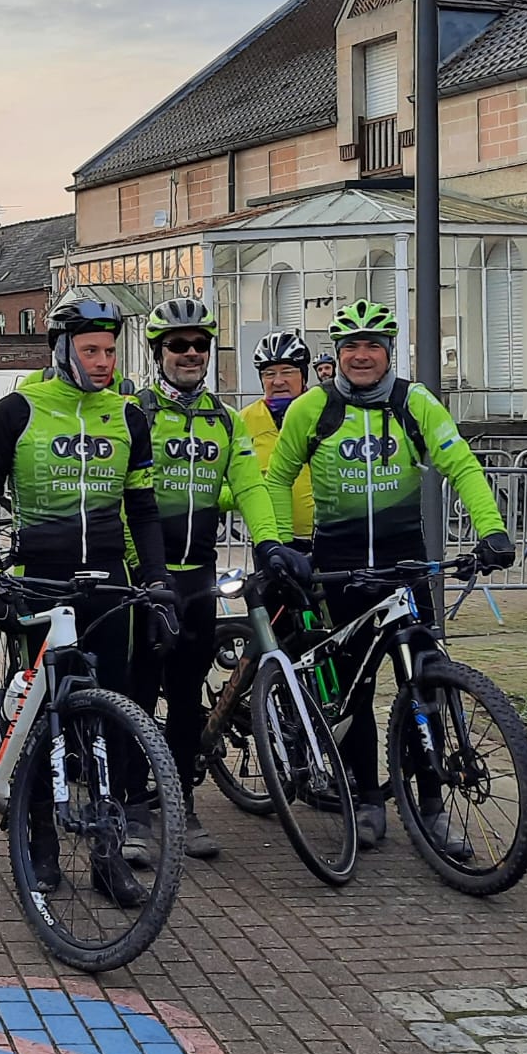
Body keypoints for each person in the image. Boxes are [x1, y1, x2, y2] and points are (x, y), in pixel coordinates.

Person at [265, 299, 514, 852]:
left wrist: (492, 530)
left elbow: (461, 465)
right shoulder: (312, 409)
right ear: (337, 354)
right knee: (354, 691)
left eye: (372, 346)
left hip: (407, 564)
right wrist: (283, 546)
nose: (361, 355)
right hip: (341, 567)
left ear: (388, 352)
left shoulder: (413, 402)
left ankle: (431, 804)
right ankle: (366, 798)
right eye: (351, 346)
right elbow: (277, 477)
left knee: (424, 681)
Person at [0, 290, 175, 902]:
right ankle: (40, 841)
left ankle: (108, 853)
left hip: (107, 578)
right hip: (40, 575)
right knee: (39, 714)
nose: (104, 361)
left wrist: (157, 581)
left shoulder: (128, 416)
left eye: (110, 351)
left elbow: (142, 507)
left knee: (111, 715)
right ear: (61, 349)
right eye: (91, 350)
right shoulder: (18, 409)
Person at [128, 298, 305, 859]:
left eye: (200, 344)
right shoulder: (135, 413)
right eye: (177, 345)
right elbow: (122, 496)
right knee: (136, 693)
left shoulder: (224, 420)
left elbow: (250, 485)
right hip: (142, 579)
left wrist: (270, 542)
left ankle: (181, 804)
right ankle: (132, 811)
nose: (190, 353)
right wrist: (141, 567)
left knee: (185, 698)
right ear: (158, 352)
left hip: (198, 577)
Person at [242, 331, 316, 543]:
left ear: (303, 375)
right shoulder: (244, 420)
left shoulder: (323, 410)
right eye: (269, 374)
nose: (278, 381)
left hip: (324, 537)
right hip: (269, 539)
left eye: (287, 372)